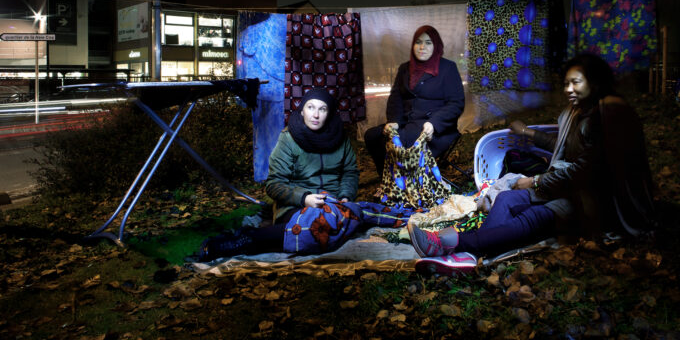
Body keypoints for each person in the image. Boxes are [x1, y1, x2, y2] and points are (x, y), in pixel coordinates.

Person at [407, 53, 656, 273]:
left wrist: (534, 180)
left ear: (595, 82)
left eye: (576, 82)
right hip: (567, 186)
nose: (569, 89)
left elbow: (585, 170)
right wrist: (526, 132)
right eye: (566, 83)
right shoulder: (578, 112)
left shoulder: (608, 112)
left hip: (594, 199)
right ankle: (473, 255)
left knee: (532, 218)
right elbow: (562, 148)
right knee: (505, 198)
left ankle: (449, 243)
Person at [197, 87, 358, 261]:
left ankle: (253, 238)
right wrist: (304, 198)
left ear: (330, 113)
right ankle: (240, 241)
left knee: (333, 227)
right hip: (295, 206)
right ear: (302, 110)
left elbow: (350, 172)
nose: (316, 115)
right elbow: (274, 184)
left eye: (322, 109)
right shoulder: (288, 138)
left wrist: (345, 196)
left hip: (331, 205)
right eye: (311, 107)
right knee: (314, 228)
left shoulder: (340, 138)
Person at [364, 25, 465, 177]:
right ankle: (388, 180)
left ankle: (406, 184)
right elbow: (395, 98)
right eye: (418, 42)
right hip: (405, 123)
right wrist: (394, 121)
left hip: (434, 128)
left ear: (436, 45)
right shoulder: (405, 68)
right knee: (373, 136)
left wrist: (434, 123)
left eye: (428, 42)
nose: (422, 47)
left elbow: (456, 103)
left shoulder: (447, 68)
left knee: (405, 139)